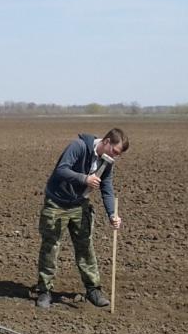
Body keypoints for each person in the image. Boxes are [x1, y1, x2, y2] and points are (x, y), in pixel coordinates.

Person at [34, 127, 127, 309]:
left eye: (118, 155)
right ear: (106, 142)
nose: (114, 157)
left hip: (79, 205)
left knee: (85, 247)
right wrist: (84, 179)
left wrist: (112, 214)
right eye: (114, 152)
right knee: (50, 248)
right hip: (56, 204)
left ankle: (93, 290)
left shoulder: (107, 163)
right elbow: (61, 170)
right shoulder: (78, 146)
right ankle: (44, 291)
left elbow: (106, 189)